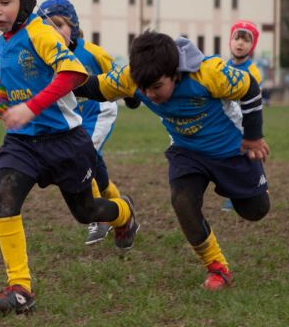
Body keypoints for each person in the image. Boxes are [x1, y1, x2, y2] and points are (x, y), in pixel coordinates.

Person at [0, 0, 139, 316]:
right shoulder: (3, 45)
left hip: (65, 141)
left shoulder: (40, 32)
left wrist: (31, 108)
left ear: (25, 0)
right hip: (23, 143)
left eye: (4, 2)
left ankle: (124, 213)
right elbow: (10, 102)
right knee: (3, 199)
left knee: (87, 212)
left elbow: (73, 72)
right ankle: (20, 288)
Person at [74, 30, 270, 291]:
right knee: (182, 202)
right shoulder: (132, 77)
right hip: (186, 152)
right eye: (144, 89)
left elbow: (251, 89)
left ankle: (234, 187)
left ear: (175, 75)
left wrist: (254, 137)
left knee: (255, 210)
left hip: (231, 150)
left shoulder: (209, 73)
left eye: (157, 87)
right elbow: (95, 87)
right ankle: (217, 268)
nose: (150, 95)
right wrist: (59, 78)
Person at [36, 0, 139, 245]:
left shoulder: (91, 52)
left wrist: (132, 95)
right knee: (99, 175)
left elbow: (118, 74)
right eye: (48, 27)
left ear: (74, 26)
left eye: (60, 25)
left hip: (99, 112)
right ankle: (124, 214)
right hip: (76, 121)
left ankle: (99, 218)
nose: (55, 32)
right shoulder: (45, 56)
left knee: (80, 157)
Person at [221, 20, 262, 212]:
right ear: (230, 41)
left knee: (248, 157)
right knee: (229, 157)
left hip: (245, 123)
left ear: (251, 46)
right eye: (237, 38)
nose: (240, 43)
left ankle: (256, 188)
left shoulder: (252, 71)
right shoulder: (222, 66)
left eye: (246, 40)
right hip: (226, 121)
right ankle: (236, 193)